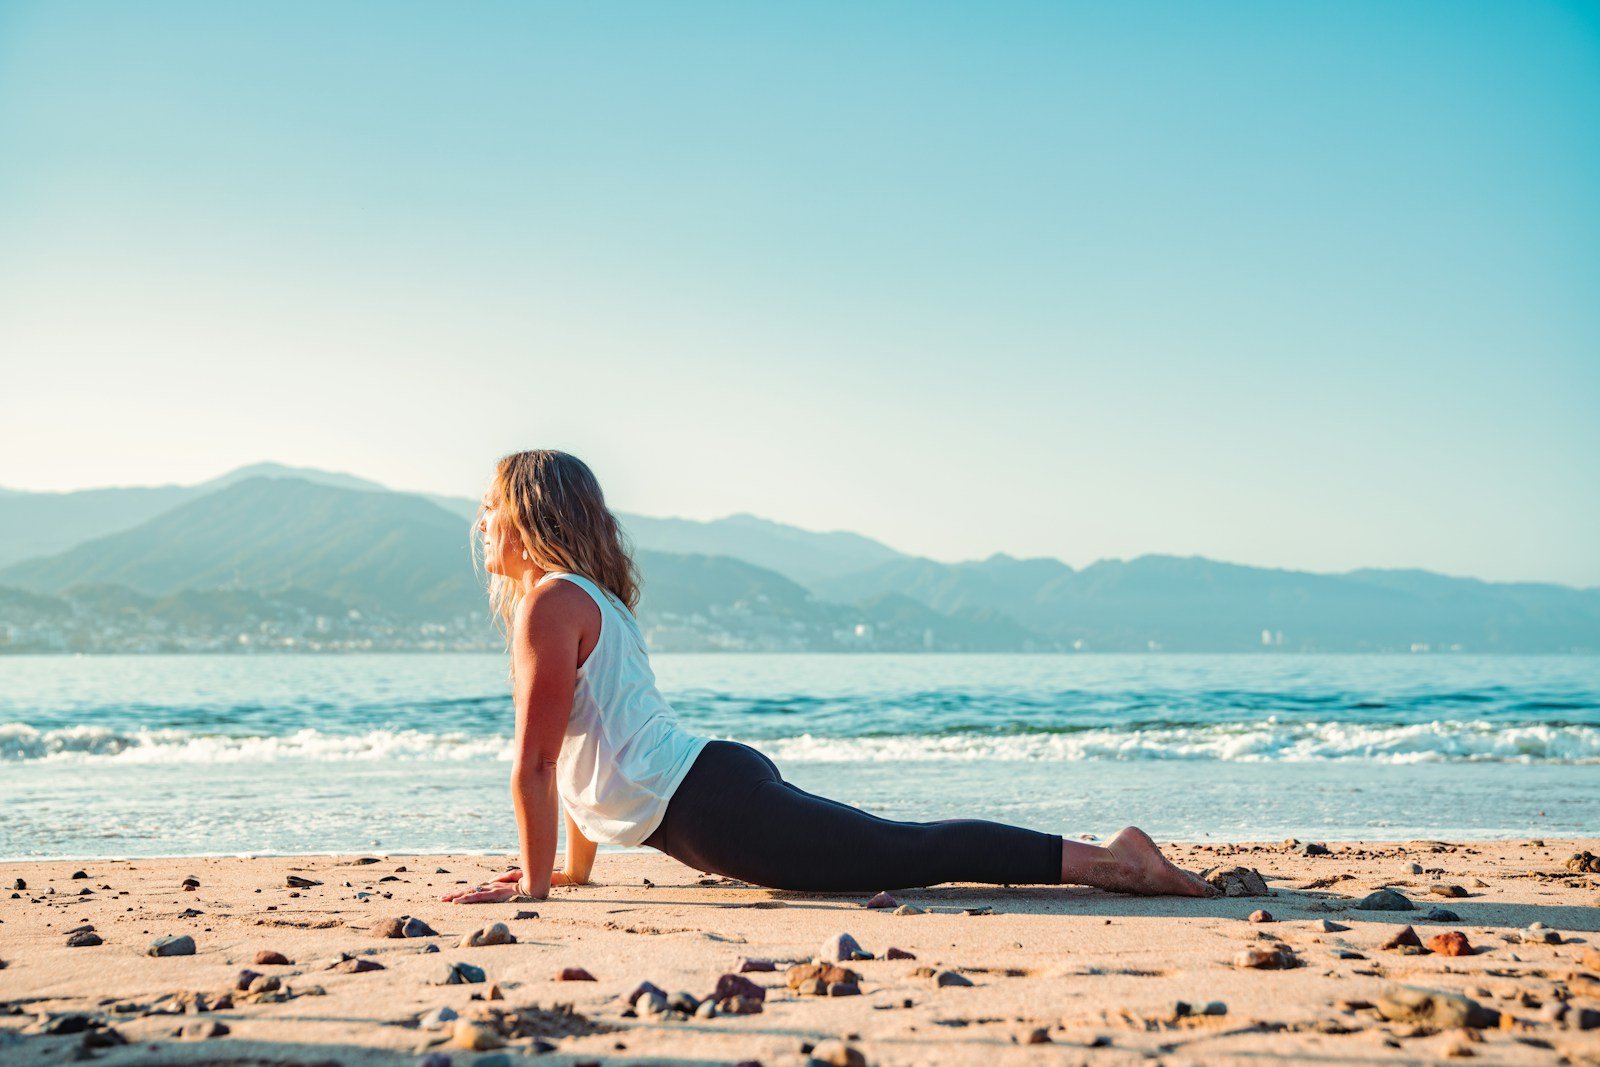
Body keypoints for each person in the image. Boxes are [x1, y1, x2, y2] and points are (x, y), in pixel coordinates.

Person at [443, 449, 1215, 904]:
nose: (481, 525)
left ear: (530, 516)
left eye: (490, 509)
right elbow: (591, 746)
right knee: (901, 848)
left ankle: (1117, 859)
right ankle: (1110, 855)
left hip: (711, 804)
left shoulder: (549, 602)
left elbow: (537, 762)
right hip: (711, 787)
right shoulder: (586, 598)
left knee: (908, 853)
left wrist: (534, 888)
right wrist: (570, 869)